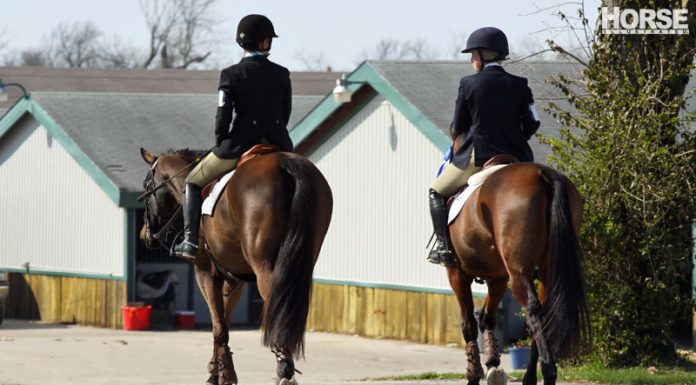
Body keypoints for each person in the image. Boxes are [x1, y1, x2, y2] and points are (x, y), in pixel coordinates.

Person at [173, 14, 293, 259]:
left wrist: (221, 141)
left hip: (239, 144)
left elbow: (223, 115)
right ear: (264, 42)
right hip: (279, 144)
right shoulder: (282, 73)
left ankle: (190, 243)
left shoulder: (231, 74)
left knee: (192, 182)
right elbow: (286, 112)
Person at [427, 27, 541, 266]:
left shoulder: (469, 84)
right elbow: (533, 122)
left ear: (481, 55)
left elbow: (459, 126)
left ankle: (444, 249)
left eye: (472, 55)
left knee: (436, 191)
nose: (471, 60)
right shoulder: (521, 84)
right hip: (518, 156)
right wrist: (516, 139)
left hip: (479, 154)